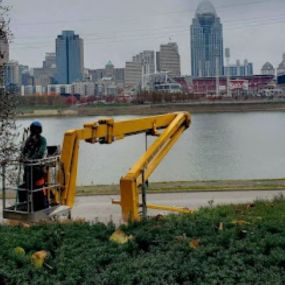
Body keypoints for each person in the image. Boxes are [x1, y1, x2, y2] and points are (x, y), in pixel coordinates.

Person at [19, 121, 48, 211]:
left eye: (37, 130)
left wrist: (30, 159)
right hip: (28, 171)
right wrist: (22, 157)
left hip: (37, 170)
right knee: (23, 188)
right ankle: (24, 204)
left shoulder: (42, 140)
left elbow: (40, 153)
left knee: (37, 190)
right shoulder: (29, 140)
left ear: (39, 131)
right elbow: (24, 151)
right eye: (33, 130)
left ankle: (42, 206)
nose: (35, 132)